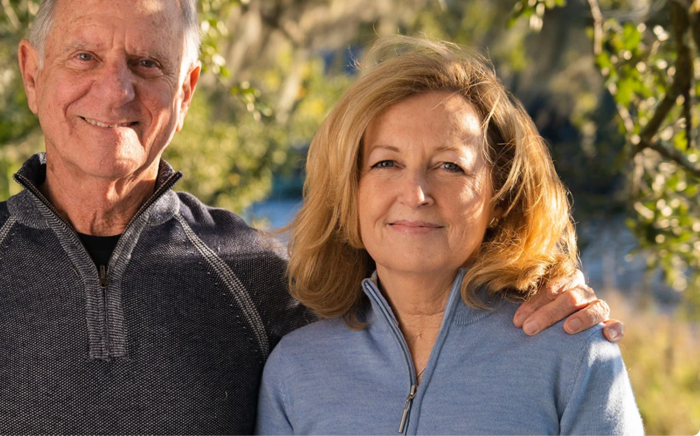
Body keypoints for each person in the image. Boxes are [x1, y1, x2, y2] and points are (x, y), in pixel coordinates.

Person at [0, 0, 621, 435]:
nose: (115, 90)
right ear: (31, 72)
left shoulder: (257, 279)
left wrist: (557, 282)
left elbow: (419, 305)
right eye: (83, 56)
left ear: (185, 90)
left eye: (147, 65)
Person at [256, 37, 642, 435]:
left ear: (501, 198)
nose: (416, 194)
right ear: (349, 192)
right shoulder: (295, 371)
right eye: (386, 162)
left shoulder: (574, 355)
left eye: (449, 166)